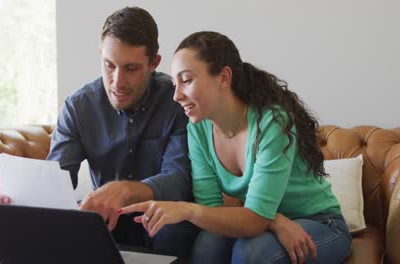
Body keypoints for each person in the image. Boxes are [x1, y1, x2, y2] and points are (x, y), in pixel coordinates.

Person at [119, 31, 352, 263]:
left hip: (319, 222)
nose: (176, 95)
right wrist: (274, 221)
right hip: (266, 222)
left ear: (223, 77)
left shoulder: (271, 123)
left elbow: (253, 219)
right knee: (207, 244)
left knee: (252, 252)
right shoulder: (198, 129)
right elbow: (211, 208)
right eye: (174, 84)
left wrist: (186, 209)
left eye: (187, 80)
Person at [0, 6, 199, 258]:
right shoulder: (78, 106)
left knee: (172, 230)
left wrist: (124, 190)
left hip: (163, 217)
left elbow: (178, 179)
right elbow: (59, 179)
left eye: (131, 69)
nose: (117, 82)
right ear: (100, 55)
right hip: (105, 220)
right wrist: (21, 199)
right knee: (67, 226)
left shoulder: (177, 101)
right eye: (109, 65)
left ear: (154, 63)